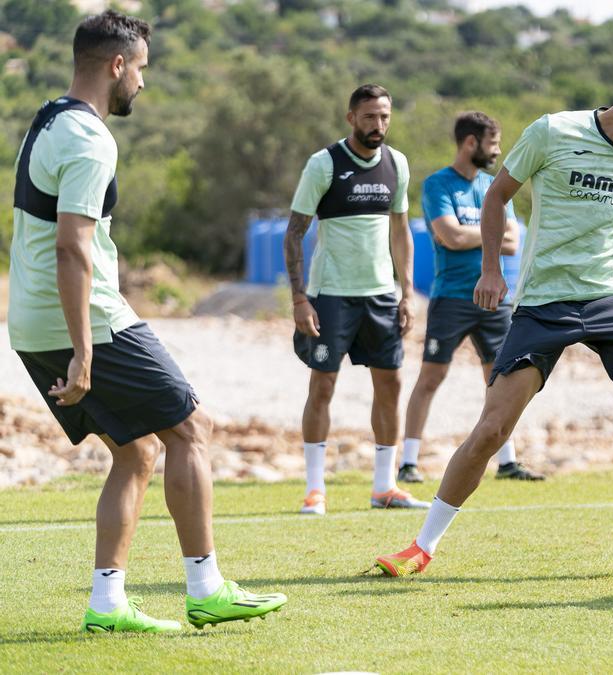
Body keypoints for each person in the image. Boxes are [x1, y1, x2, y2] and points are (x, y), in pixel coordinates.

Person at [374, 57, 613, 579]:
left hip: (612, 299)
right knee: (493, 429)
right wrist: (490, 270)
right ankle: (421, 548)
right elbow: (497, 197)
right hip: (545, 301)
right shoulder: (553, 131)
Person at [9, 10, 286, 633]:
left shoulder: (49, 117)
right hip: (86, 322)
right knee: (192, 427)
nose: (142, 82)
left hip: (30, 322)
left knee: (137, 452)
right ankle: (206, 588)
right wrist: (83, 352)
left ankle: (107, 605)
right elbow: (72, 248)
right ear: (116, 65)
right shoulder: (90, 139)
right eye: (140, 69)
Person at [285, 84, 429, 515]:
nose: (378, 125)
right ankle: (315, 489)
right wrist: (299, 299)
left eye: (384, 116)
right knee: (322, 385)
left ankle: (384, 487)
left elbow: (400, 230)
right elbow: (294, 233)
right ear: (351, 118)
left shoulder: (397, 163)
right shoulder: (323, 164)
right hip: (330, 296)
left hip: (382, 297)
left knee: (391, 385)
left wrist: (407, 291)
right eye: (369, 117)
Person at [397, 112, 544, 484]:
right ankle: (408, 462)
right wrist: (487, 230)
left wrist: (472, 232)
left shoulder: (495, 185)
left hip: (496, 300)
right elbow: (450, 237)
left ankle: (507, 462)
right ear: (470, 143)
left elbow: (512, 242)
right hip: (451, 298)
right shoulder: (437, 185)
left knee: (501, 380)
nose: (497, 152)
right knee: (430, 377)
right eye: (492, 145)